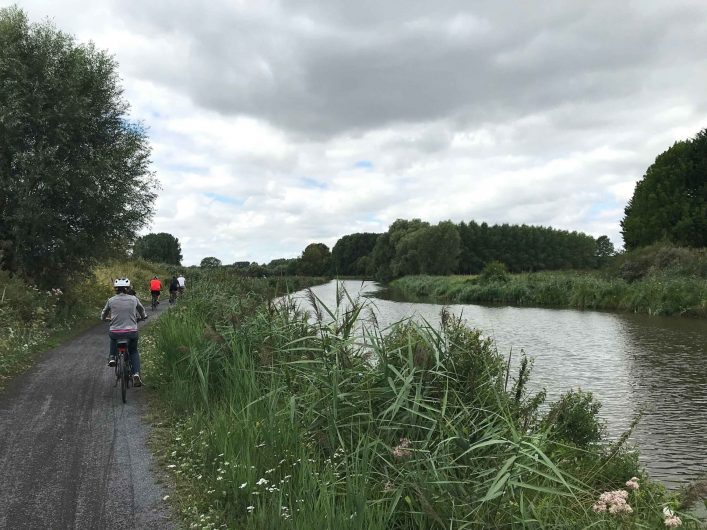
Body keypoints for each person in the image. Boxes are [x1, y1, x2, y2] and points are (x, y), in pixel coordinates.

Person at [101, 278, 146, 386]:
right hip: (131, 332)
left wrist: (104, 318)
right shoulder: (134, 299)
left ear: (115, 289)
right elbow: (141, 310)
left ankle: (112, 356)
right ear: (128, 288)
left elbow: (104, 313)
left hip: (115, 331)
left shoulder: (111, 300)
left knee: (113, 337)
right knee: (134, 351)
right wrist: (143, 317)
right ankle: (135, 374)